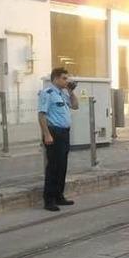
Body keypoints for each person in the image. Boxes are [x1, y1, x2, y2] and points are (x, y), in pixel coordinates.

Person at [38, 68, 79, 212]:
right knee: (53, 167)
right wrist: (47, 134)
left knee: (62, 166)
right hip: (54, 132)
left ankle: (59, 196)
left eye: (67, 78)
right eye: (64, 78)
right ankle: (49, 200)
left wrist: (71, 91)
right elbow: (41, 115)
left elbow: (75, 106)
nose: (66, 81)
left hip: (64, 133)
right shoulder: (47, 93)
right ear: (55, 79)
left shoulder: (62, 93)